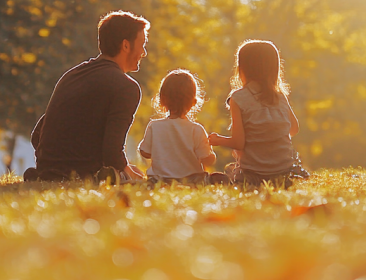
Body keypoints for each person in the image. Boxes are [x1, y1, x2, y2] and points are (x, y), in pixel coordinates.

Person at [23, 11, 149, 183]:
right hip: (84, 176)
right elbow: (112, 152)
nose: (144, 52)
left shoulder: (72, 75)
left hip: (46, 172)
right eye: (142, 44)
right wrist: (127, 171)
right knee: (125, 178)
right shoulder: (127, 87)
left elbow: (37, 135)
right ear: (126, 45)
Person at [209, 40, 309, 187]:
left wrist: (217, 140)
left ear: (242, 69)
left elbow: (238, 143)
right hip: (284, 172)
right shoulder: (279, 96)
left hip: (253, 174)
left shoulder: (238, 98)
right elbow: (294, 129)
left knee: (231, 169)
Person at [138, 70, 228, 184]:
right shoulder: (196, 129)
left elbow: (144, 153)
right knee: (219, 178)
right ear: (193, 102)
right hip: (191, 180)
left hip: (160, 180)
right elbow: (207, 160)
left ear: (162, 99)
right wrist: (212, 154)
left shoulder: (154, 126)